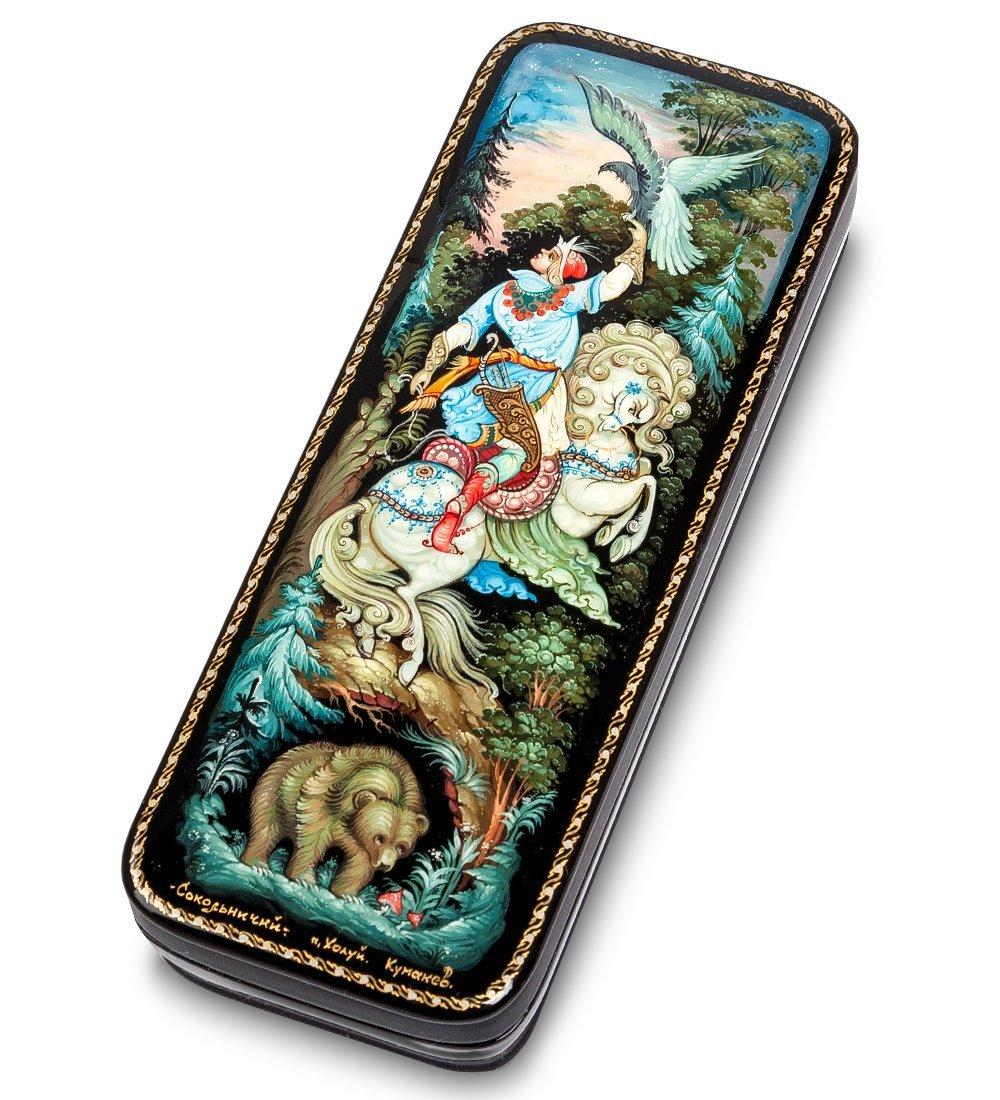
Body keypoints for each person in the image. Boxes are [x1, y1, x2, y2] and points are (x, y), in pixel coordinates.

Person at [409, 217, 647, 552]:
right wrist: (638, 247)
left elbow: (460, 332)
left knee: (488, 442)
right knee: (522, 453)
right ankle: (462, 504)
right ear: (542, 259)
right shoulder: (560, 297)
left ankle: (461, 501)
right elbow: (610, 286)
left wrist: (429, 368)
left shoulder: (505, 294)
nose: (561, 261)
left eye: (561, 257)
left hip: (501, 375)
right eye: (555, 253)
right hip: (539, 386)